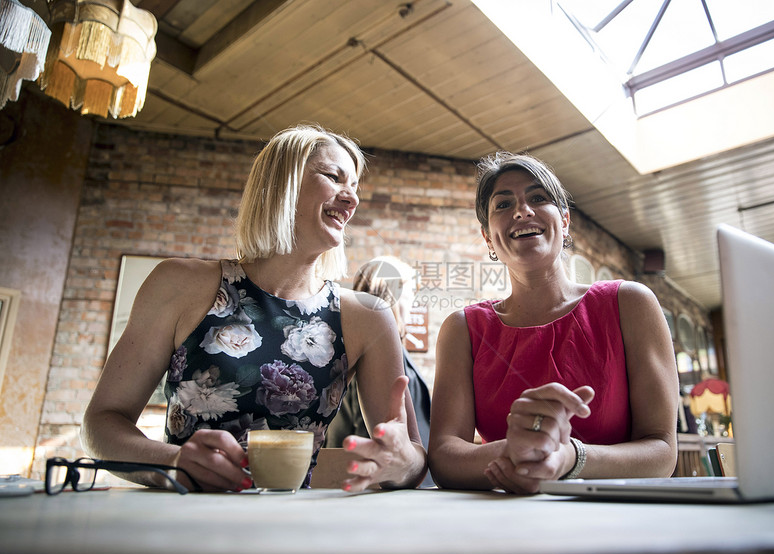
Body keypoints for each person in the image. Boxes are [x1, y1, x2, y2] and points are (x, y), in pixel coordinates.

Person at [82, 125, 428, 493]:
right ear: (283, 184)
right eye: (334, 177)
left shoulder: (369, 317)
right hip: (180, 524)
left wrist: (403, 461)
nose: (352, 199)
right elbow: (101, 424)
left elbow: (413, 461)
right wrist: (174, 461)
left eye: (356, 187)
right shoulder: (176, 284)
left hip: (295, 535)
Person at [428, 152, 678, 494]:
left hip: (618, 521)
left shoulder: (630, 303)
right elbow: (443, 457)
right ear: (488, 237)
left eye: (537, 198)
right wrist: (517, 452)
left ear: (565, 220)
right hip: (504, 524)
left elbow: (662, 452)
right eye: (503, 204)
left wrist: (568, 459)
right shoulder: (463, 329)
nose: (522, 211)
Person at [323, 256, 434, 487]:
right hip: (379, 485)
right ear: (395, 292)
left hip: (406, 481)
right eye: (411, 290)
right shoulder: (370, 355)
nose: (414, 301)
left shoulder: (384, 349)